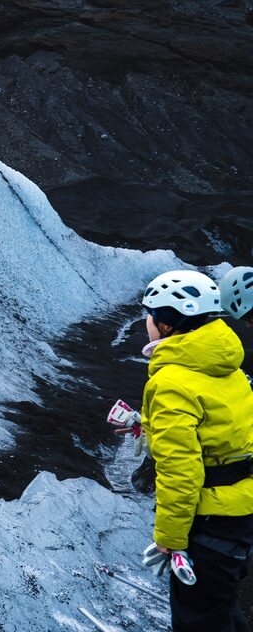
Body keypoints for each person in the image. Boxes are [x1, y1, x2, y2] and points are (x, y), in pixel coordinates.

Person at [139, 269, 253, 631]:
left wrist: (168, 541)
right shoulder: (227, 365)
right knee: (221, 605)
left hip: (210, 520)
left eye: (150, 313)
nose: (146, 321)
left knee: (200, 618)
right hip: (243, 510)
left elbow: (180, 473)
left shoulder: (172, 382)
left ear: (166, 323)